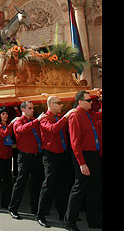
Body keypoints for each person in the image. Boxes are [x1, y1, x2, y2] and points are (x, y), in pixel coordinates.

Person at [36, 96, 77, 228]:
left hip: (62, 153)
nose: (61, 105)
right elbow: (53, 129)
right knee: (48, 185)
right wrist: (66, 116)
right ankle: (40, 214)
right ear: (51, 104)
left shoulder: (57, 117)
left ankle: (62, 212)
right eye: (59, 103)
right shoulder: (44, 118)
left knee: (63, 184)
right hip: (50, 155)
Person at [64, 90, 102, 230]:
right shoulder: (75, 115)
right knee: (79, 189)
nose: (91, 102)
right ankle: (69, 221)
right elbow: (75, 141)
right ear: (80, 102)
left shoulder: (89, 114)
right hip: (82, 155)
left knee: (94, 189)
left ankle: (93, 221)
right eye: (88, 100)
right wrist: (81, 163)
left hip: (93, 155)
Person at [8, 101, 44, 220]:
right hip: (25, 157)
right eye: (30, 108)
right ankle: (13, 208)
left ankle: (35, 209)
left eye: (33, 108)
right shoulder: (18, 121)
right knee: (21, 183)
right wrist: (37, 121)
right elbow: (21, 130)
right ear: (23, 110)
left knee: (36, 184)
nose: (32, 110)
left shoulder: (33, 121)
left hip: (36, 156)